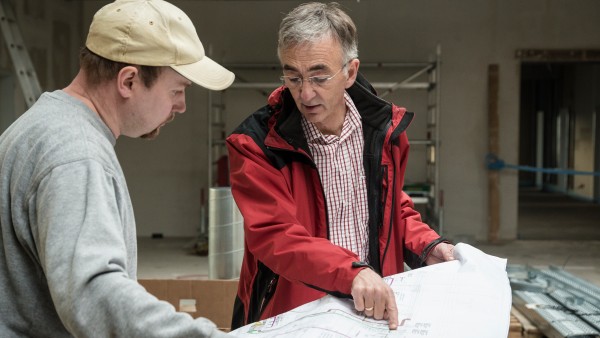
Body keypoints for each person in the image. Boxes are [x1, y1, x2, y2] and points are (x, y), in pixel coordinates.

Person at [0, 0, 235, 337]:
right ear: (128, 81)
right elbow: (93, 293)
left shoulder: (42, 126)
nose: (181, 106)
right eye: (177, 90)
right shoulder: (76, 154)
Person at [226, 2, 455, 331]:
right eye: (293, 76)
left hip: (370, 311)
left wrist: (428, 246)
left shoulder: (382, 133)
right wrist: (352, 272)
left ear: (350, 71)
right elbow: (276, 237)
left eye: (319, 76)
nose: (305, 93)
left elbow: (392, 210)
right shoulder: (257, 144)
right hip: (292, 317)